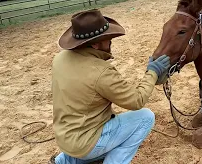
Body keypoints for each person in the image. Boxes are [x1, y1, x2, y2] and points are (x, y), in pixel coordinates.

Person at [49, 9, 170, 164]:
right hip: (86, 144)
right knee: (145, 118)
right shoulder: (101, 71)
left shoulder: (59, 59)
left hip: (65, 139)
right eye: (107, 38)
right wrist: (153, 72)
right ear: (96, 44)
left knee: (91, 126)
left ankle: (63, 161)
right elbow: (136, 100)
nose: (111, 40)